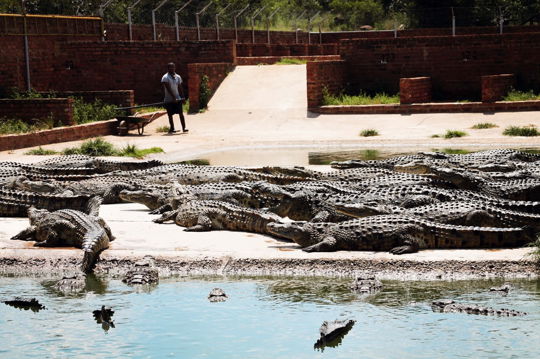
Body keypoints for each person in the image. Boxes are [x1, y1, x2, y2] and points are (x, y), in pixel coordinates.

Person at [161, 62, 188, 133]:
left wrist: (183, 97)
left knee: (181, 113)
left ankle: (184, 128)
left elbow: (180, 88)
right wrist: (173, 97)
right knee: (170, 115)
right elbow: (168, 88)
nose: (172, 68)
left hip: (178, 98)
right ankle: (172, 128)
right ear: (168, 68)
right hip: (169, 99)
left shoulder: (178, 77)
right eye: (170, 67)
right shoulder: (165, 77)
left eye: (173, 67)